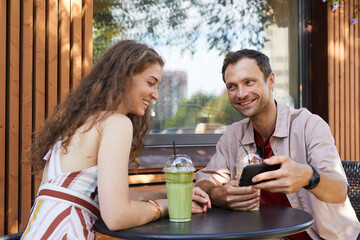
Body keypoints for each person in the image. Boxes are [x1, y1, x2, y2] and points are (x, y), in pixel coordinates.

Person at [21, 40, 211, 240]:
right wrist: (171, 206)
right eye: (150, 83)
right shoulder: (116, 123)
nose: (155, 94)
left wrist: (169, 194)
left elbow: (111, 200)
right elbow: (117, 216)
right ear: (125, 77)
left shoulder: (78, 123)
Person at [196, 49, 360, 239]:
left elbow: (339, 190)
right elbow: (204, 181)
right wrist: (217, 194)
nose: (241, 94)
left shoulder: (309, 125)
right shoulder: (233, 135)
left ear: (271, 80)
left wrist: (308, 176)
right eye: (232, 86)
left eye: (249, 82)